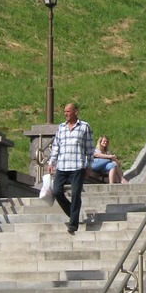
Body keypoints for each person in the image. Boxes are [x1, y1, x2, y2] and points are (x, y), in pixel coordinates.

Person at [48, 101, 93, 235]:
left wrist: (89, 165)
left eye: (68, 111)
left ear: (75, 112)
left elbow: (89, 148)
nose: (66, 114)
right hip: (62, 165)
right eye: (65, 112)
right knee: (56, 191)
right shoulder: (61, 128)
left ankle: (73, 225)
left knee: (75, 194)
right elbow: (56, 146)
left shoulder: (84, 127)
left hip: (77, 165)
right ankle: (73, 213)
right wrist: (51, 162)